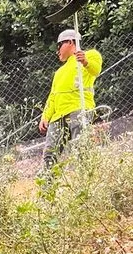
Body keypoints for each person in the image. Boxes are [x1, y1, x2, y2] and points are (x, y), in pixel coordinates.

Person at [39, 29, 103, 169]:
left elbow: (96, 70)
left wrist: (85, 62)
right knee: (50, 154)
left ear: (70, 42)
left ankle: (85, 177)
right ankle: (46, 182)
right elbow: (53, 96)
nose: (57, 51)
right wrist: (45, 116)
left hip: (79, 108)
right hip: (58, 117)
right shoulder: (59, 72)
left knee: (80, 147)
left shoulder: (90, 55)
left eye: (59, 46)